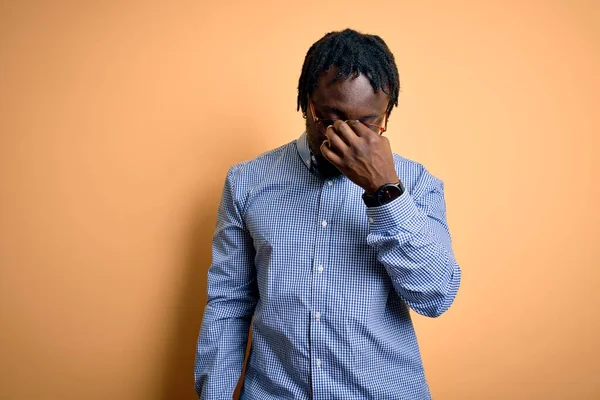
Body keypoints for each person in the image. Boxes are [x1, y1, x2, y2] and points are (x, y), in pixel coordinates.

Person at [194, 28, 461, 399]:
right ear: (306, 103)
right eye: (331, 118)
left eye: (367, 123)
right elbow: (229, 305)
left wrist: (384, 191)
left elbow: (435, 297)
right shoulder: (247, 182)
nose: (344, 138)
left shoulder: (417, 184)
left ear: (386, 115)